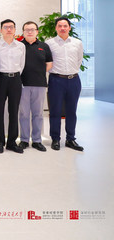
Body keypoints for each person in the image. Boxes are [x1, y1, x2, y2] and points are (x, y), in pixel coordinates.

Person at [46, 17, 84, 152]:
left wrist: (71, 73)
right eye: (60, 26)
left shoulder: (77, 43)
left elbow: (79, 60)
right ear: (56, 28)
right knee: (55, 111)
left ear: (69, 28)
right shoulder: (49, 43)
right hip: (56, 80)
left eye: (65, 26)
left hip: (74, 80)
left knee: (71, 111)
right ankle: (55, 139)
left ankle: (70, 139)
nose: (62, 28)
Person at [0, 19, 26, 154]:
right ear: (1, 30)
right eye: (6, 27)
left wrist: (15, 75)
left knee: (14, 111)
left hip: (15, 80)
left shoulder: (20, 46)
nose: (9, 29)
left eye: (11, 27)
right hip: (0, 79)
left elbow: (22, 64)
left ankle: (12, 142)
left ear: (15, 30)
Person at [19, 21, 52, 152]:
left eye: (32, 29)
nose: (30, 32)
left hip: (39, 84)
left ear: (37, 31)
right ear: (23, 32)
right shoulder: (19, 46)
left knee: (38, 114)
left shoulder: (44, 46)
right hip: (22, 85)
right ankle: (24, 140)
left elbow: (49, 64)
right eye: (27, 29)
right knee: (24, 114)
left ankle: (37, 140)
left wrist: (38, 73)